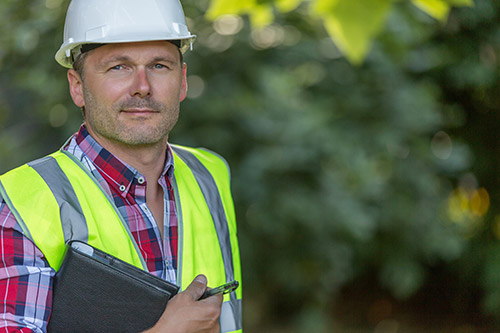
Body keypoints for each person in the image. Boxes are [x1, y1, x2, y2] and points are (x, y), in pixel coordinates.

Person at [0, 0, 242, 332]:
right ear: (77, 86)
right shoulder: (22, 203)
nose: (142, 86)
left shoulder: (210, 174)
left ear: (183, 81)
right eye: (119, 67)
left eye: (159, 65)